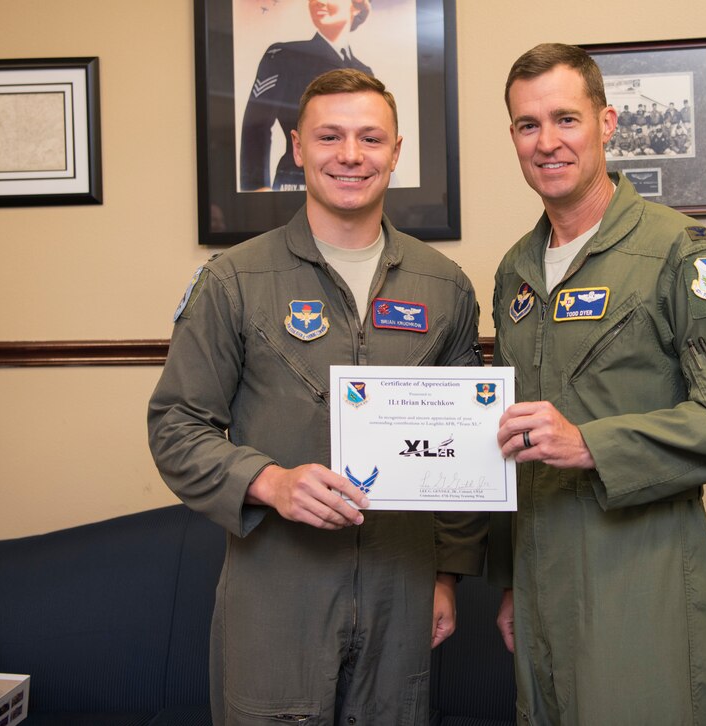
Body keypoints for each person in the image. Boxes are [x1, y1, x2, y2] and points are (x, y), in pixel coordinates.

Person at [150, 68, 486, 726]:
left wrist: (448, 575)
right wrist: (268, 482)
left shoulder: (443, 285)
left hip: (402, 584)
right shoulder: (235, 280)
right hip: (277, 588)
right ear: (299, 147)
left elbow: (465, 451)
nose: (351, 156)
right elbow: (176, 428)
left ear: (396, 150)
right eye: (330, 136)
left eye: (370, 138)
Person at [489, 43, 706, 724]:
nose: (547, 142)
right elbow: (510, 438)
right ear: (513, 138)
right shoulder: (515, 270)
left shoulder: (678, 252)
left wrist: (590, 444)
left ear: (607, 123)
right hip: (538, 574)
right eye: (528, 125)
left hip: (637, 575)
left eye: (566, 119)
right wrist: (508, 581)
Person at [240, 0, 374, 191]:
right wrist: (257, 187)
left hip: (352, 185)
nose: (318, 2)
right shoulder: (284, 56)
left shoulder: (363, 71)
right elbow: (256, 125)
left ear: (356, 7)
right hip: (296, 183)